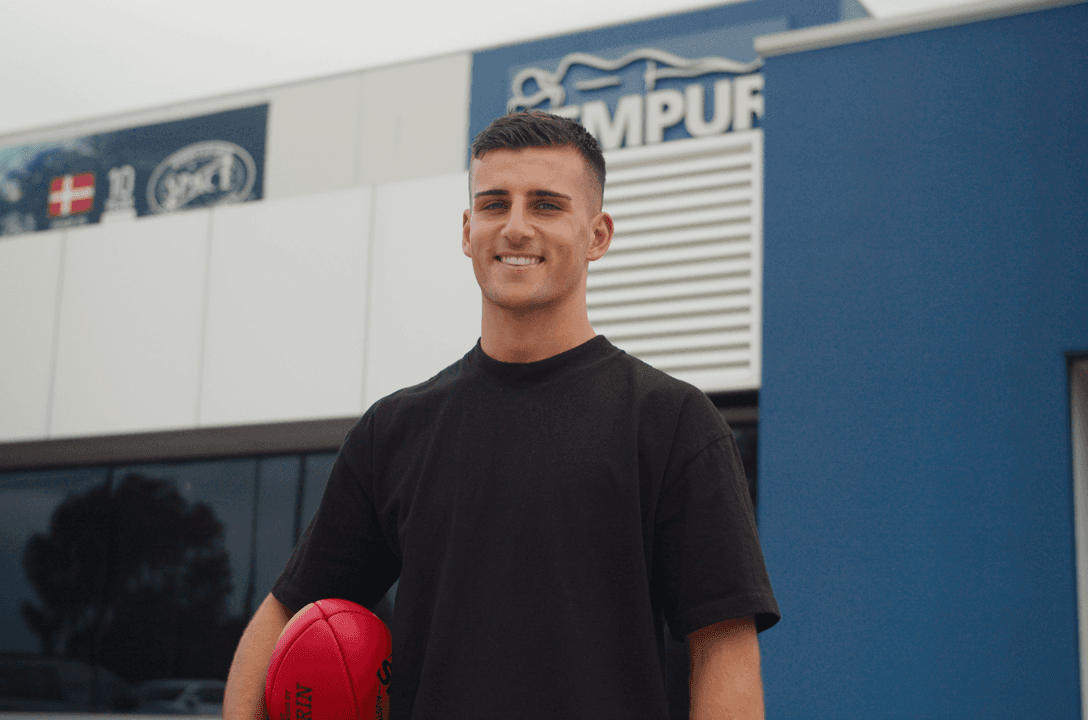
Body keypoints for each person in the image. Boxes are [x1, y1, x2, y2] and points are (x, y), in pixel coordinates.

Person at [222, 111, 780, 720]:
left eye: (545, 205)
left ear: (598, 234)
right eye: (494, 205)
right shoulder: (393, 432)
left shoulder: (675, 424)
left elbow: (724, 650)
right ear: (467, 230)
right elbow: (287, 613)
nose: (515, 228)